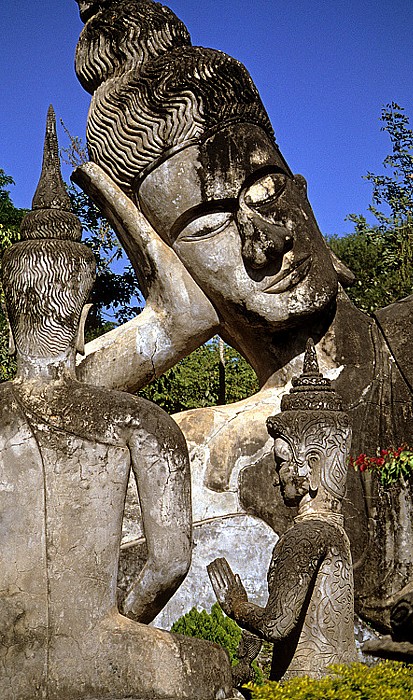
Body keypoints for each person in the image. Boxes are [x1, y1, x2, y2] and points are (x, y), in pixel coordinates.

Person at [72, 0, 413, 632]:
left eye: (265, 187)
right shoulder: (186, 448)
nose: (265, 239)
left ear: (298, 182)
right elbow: (34, 431)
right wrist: (169, 325)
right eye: (211, 223)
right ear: (164, 255)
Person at [0, 106, 232, 699]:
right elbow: (169, 563)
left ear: (9, 320)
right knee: (210, 669)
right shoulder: (139, 424)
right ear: (81, 321)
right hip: (101, 646)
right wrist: (115, 620)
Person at [208, 341, 357, 679]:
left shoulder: (307, 535)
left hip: (307, 686)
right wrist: (247, 654)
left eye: (280, 463)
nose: (277, 480)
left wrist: (237, 607)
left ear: (311, 466)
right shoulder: (334, 534)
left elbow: (277, 623)